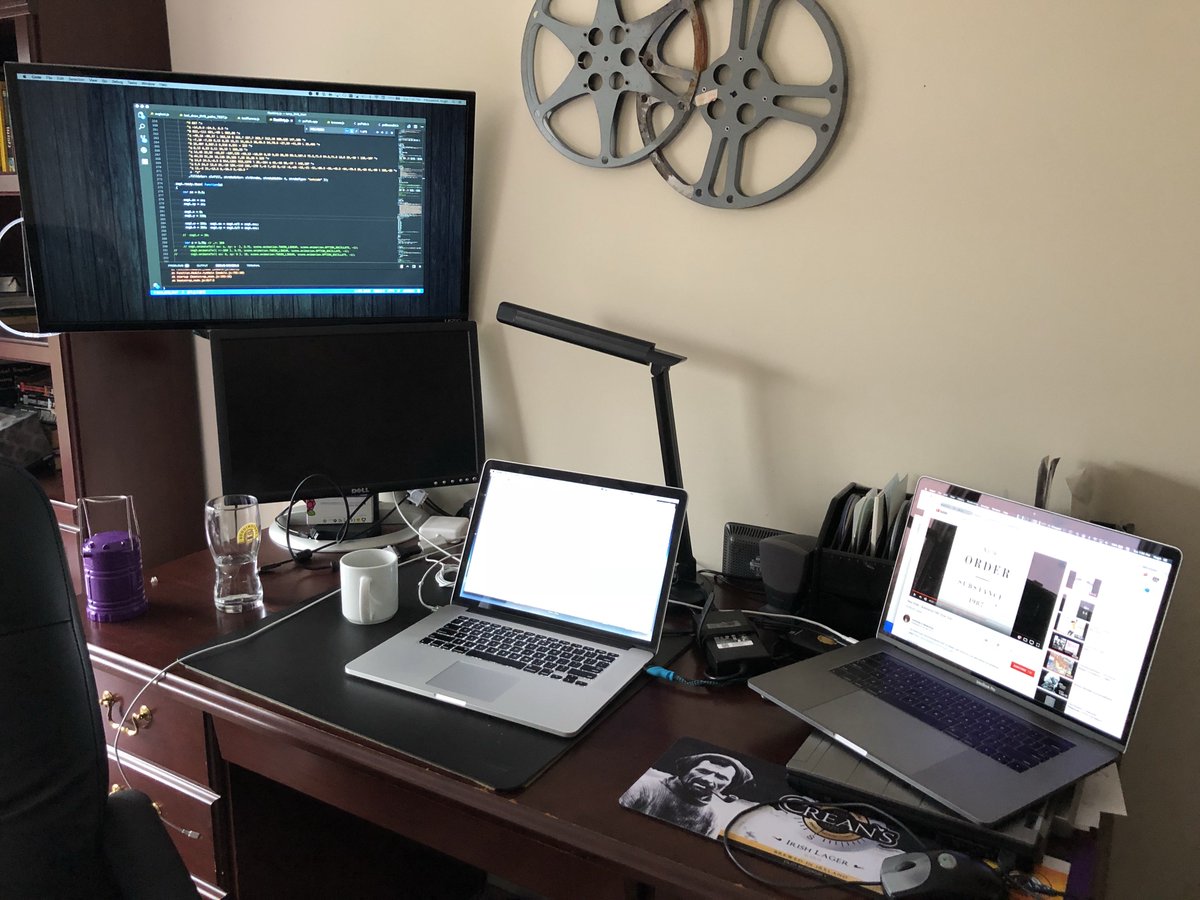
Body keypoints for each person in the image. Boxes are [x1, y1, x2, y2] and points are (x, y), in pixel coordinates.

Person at [620, 751, 754, 837]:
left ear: (727, 787)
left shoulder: (711, 818)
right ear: (687, 771)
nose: (708, 779)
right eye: (703, 771)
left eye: (721, 777)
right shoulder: (643, 787)